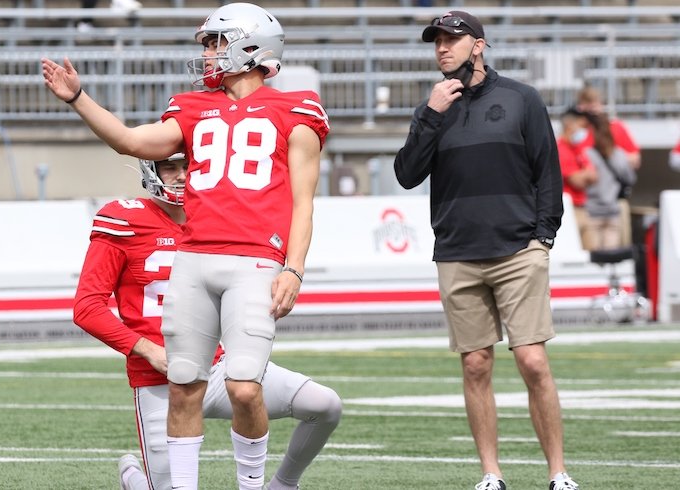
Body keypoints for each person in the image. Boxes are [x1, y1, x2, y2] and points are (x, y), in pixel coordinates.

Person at [42, 3, 330, 488]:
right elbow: (132, 142)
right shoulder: (193, 106)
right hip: (194, 260)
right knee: (184, 386)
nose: (208, 53)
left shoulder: (296, 109)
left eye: (215, 42)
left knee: (242, 386)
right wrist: (79, 99)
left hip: (255, 260)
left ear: (251, 44)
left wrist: (294, 268)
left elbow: (304, 203)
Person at [73, 153, 342, 490]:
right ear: (151, 170)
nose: (182, 175)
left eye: (190, 166)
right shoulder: (125, 220)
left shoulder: (221, 221)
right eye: (170, 166)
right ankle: (136, 481)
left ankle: (284, 484)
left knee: (325, 405)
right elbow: (86, 307)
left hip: (218, 369)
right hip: (161, 380)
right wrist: (149, 351)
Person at [393, 10, 579, 490]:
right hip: (457, 251)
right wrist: (432, 115)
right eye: (436, 41)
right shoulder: (432, 106)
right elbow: (406, 174)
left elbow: (548, 172)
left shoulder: (522, 98)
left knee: (533, 361)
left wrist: (543, 236)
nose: (441, 48)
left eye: (451, 40)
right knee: (475, 364)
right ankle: (491, 475)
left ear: (478, 45)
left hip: (519, 249)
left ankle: (559, 473)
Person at [575, 85, 640, 247]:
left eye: (594, 104)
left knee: (616, 253)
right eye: (586, 104)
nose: (591, 109)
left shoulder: (615, 128)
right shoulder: (577, 130)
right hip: (586, 205)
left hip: (614, 201)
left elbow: (634, 159)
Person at [583, 113, 637, 251]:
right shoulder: (619, 154)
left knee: (593, 263)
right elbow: (630, 178)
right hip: (612, 212)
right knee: (611, 261)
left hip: (591, 212)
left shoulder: (587, 154)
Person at [556, 108, 597, 250]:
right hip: (569, 210)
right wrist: (585, 174)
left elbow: (594, 176)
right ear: (570, 125)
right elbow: (577, 181)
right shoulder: (560, 148)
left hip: (583, 207)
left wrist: (584, 175)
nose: (584, 131)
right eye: (581, 126)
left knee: (593, 251)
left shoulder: (577, 148)